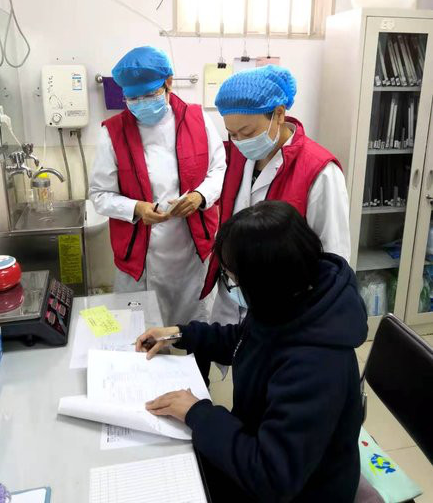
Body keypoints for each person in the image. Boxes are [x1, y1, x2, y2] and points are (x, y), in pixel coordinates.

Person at [136, 201, 368, 502]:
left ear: (264, 282)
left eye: (232, 279)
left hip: (300, 490)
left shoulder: (316, 363)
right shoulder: (290, 297)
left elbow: (272, 477)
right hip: (260, 447)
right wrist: (181, 334)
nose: (231, 286)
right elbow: (244, 340)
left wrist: (197, 412)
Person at [201, 64, 351, 327]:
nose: (240, 141)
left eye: (247, 132)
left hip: (286, 308)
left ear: (279, 114)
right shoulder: (238, 156)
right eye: (232, 134)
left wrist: (316, 323)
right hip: (233, 297)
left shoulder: (319, 171)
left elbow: (334, 255)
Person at [89, 46, 226, 325]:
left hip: (192, 249)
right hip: (140, 254)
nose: (141, 103)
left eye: (149, 95)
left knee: (194, 327)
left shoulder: (198, 119)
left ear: (169, 83)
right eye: (133, 98)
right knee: (141, 329)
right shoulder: (113, 133)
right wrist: (136, 208)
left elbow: (218, 168)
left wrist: (200, 196)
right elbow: (99, 195)